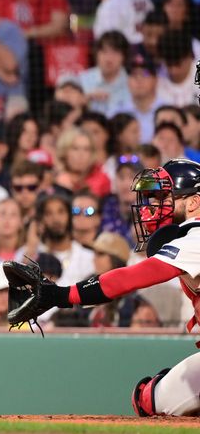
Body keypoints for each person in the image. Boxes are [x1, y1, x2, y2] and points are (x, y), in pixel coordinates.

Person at [19, 159, 200, 416]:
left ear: (193, 202)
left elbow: (132, 278)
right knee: (150, 397)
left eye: (163, 198)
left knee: (148, 399)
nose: (153, 207)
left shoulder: (196, 237)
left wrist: (62, 294)